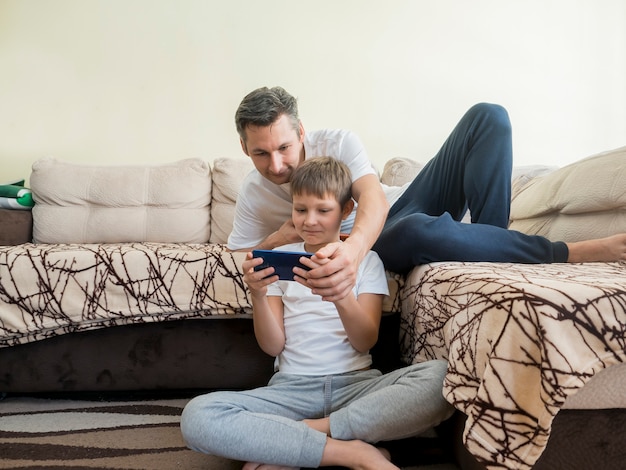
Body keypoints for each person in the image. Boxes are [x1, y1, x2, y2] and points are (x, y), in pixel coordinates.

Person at [227, 86, 626, 302]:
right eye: (261, 153)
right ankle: (568, 251)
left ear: (300, 133)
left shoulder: (339, 143)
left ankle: (492, 249)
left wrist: (352, 254)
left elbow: (375, 200)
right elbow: (240, 258)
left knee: (489, 115)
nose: (276, 165)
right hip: (394, 237)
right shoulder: (252, 192)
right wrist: (284, 237)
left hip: (396, 208)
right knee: (417, 230)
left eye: (284, 148)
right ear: (245, 149)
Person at [181, 157, 454, 469]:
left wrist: (341, 297)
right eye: (300, 210)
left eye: (323, 210)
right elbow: (273, 346)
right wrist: (257, 294)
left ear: (346, 210)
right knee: (198, 417)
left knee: (442, 380)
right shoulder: (277, 260)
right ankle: (354, 453)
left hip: (357, 388)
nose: (309, 221)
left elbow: (365, 341)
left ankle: (296, 440)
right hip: (291, 390)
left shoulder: (365, 261)